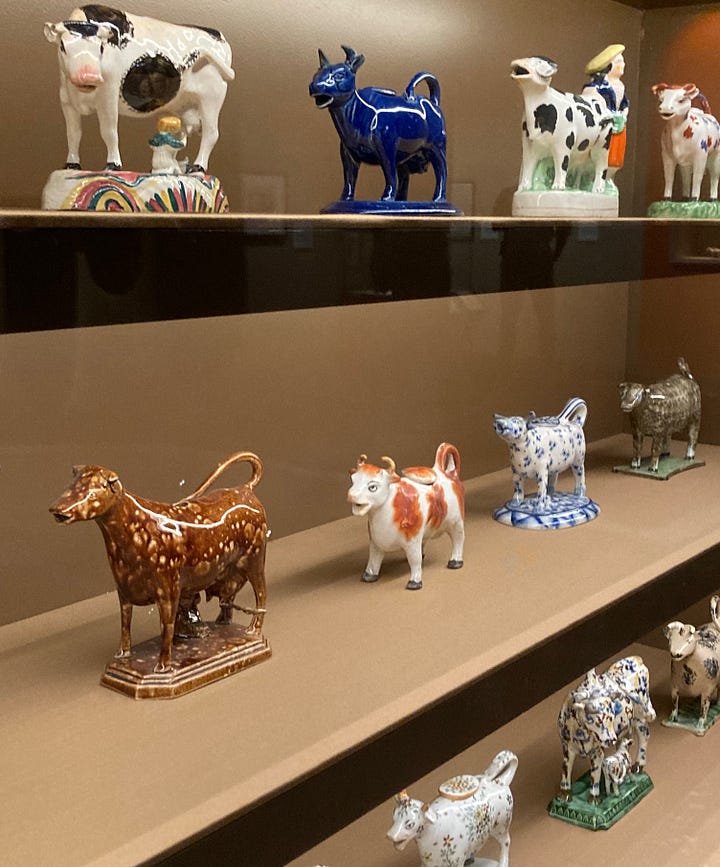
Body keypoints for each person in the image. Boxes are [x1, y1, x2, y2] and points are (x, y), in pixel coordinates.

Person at [583, 44, 628, 180]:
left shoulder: (621, 86)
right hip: (603, 127)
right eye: (619, 61)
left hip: (619, 125)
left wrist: (624, 114)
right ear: (609, 66)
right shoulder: (598, 86)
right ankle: (596, 178)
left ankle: (609, 179)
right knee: (600, 154)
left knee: (616, 157)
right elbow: (589, 98)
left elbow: (625, 103)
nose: (623, 64)